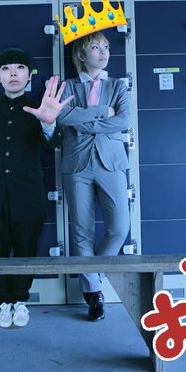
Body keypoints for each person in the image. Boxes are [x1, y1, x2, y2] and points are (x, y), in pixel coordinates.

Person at [0, 47, 72, 328]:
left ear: (29, 75)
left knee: (27, 250)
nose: (13, 73)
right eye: (5, 69)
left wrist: (49, 123)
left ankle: (20, 301)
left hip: (28, 194)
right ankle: (3, 302)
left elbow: (54, 143)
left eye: (20, 68)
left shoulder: (41, 108)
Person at [57, 32, 130, 321]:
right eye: (96, 47)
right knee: (81, 231)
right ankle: (94, 293)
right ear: (81, 55)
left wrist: (84, 121)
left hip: (111, 163)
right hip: (77, 164)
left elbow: (124, 120)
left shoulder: (118, 85)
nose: (103, 52)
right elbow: (62, 117)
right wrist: (102, 113)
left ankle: (94, 274)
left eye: (106, 47)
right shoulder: (67, 86)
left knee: (119, 228)